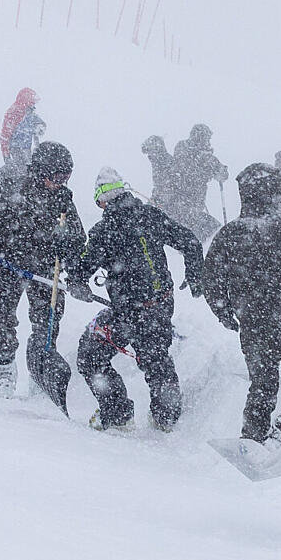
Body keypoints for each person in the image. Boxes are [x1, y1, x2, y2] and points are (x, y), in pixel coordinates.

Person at [73, 168, 205, 432]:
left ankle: (118, 413)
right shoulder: (151, 216)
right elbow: (191, 241)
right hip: (161, 304)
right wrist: (195, 275)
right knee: (156, 359)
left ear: (101, 201)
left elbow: (80, 270)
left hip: (128, 313)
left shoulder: (104, 231)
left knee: (90, 356)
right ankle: (166, 418)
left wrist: (76, 283)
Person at [204, 163, 281, 448]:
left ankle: (253, 442)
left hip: (255, 323)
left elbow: (211, 280)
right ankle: (277, 440)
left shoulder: (230, 234)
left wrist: (224, 311)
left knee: (263, 386)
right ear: (274, 195)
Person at [0, 141, 87, 410]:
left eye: (66, 177)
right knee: (1, 314)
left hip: (45, 270)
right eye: (56, 176)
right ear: (40, 171)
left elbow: (77, 240)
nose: (60, 182)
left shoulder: (64, 200)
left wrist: (74, 271)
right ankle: (5, 370)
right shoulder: (11, 190)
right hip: (10, 265)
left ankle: (39, 370)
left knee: (47, 320)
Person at [161, 123, 227, 244]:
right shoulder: (206, 158)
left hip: (175, 205)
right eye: (208, 139)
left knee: (193, 234)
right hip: (191, 208)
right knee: (216, 233)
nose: (209, 142)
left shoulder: (181, 147)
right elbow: (222, 175)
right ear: (203, 138)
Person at [1, 88, 44, 170]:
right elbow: (4, 136)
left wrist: (39, 127)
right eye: (32, 102)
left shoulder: (30, 112)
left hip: (26, 148)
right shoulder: (14, 113)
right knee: (21, 170)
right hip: (16, 148)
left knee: (26, 169)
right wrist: (6, 155)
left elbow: (40, 123)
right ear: (26, 100)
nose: (34, 105)